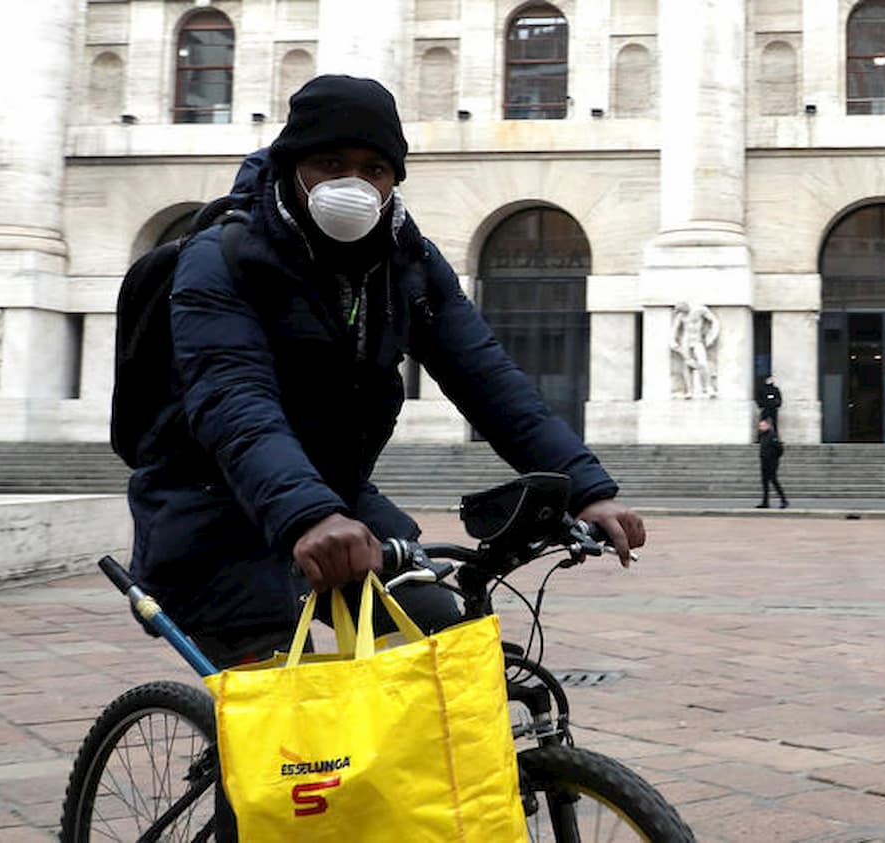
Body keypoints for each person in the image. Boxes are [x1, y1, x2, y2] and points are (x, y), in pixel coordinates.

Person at [126, 74, 646, 669]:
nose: (355, 183)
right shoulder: (222, 257)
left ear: (394, 179)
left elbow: (490, 379)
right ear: (292, 167)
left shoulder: (408, 261)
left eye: (375, 169)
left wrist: (587, 490)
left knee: (447, 648)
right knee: (286, 725)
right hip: (212, 508)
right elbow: (233, 400)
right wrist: (308, 514)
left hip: (337, 501)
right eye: (330, 163)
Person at [755, 419, 788, 509]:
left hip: (772, 462)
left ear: (768, 426)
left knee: (774, 481)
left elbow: (780, 449)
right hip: (764, 461)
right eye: (760, 426)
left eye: (763, 426)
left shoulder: (772, 435)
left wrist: (773, 458)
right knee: (765, 482)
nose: (761, 427)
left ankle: (784, 500)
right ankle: (765, 502)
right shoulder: (762, 436)